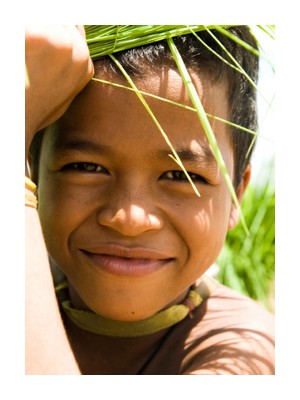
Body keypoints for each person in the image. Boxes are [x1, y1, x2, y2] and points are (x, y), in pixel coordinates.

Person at [25, 25, 275, 375]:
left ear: (237, 194)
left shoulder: (243, 350)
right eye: (87, 166)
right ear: (32, 168)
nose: (129, 218)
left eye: (180, 176)